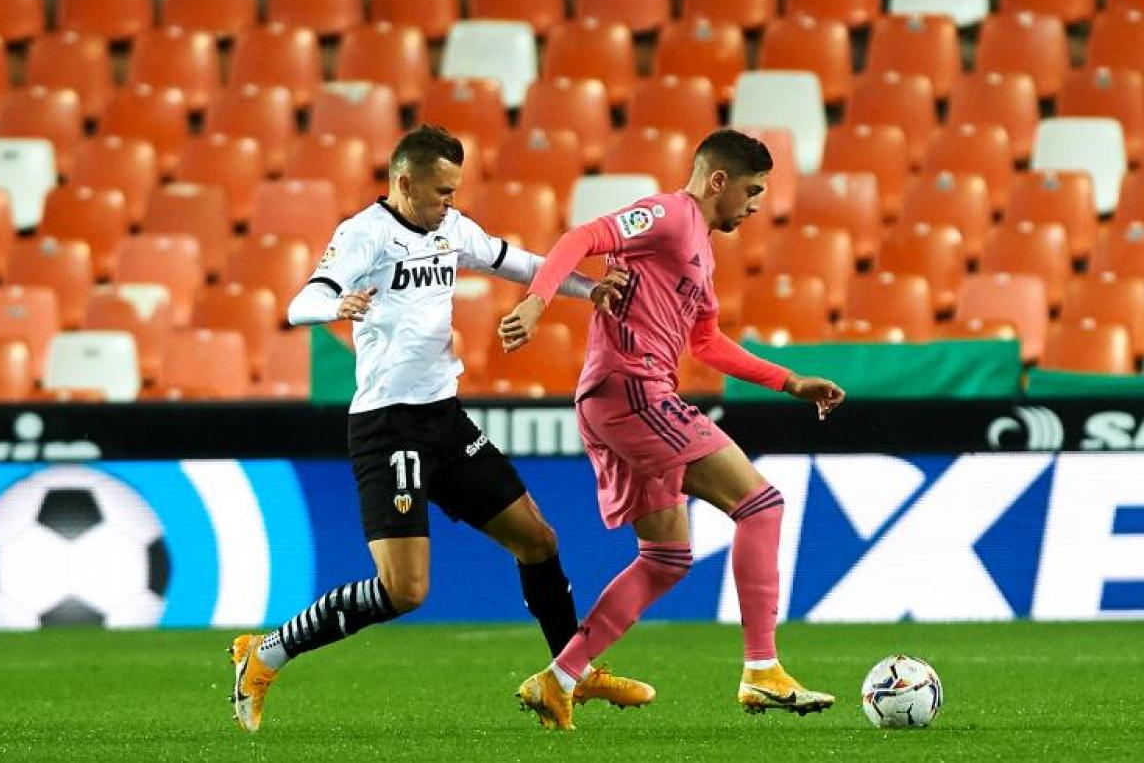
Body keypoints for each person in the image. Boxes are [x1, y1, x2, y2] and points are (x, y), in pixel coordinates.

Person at [227, 125, 652, 732]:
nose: (451, 201)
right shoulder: (364, 234)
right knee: (404, 591)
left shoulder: (452, 228)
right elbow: (301, 302)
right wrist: (335, 306)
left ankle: (568, 675)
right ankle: (265, 653)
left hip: (444, 420)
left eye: (454, 191)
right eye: (442, 191)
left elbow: (520, 263)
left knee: (538, 540)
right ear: (405, 182)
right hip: (387, 425)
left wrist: (588, 289)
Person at [499, 128, 846, 730]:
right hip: (632, 392)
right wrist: (537, 301)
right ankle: (762, 670)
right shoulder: (668, 216)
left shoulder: (702, 251)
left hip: (618, 399)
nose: (757, 203)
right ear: (719, 180)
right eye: (752, 190)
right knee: (761, 506)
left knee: (665, 557)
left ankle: (558, 679)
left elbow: (706, 342)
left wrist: (789, 382)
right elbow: (583, 237)